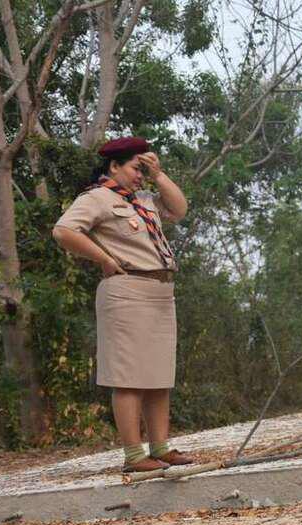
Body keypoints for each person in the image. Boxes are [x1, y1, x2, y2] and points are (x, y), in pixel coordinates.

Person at [52, 136, 195, 472]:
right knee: (129, 377)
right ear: (114, 166)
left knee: (158, 375)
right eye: (135, 168)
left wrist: (158, 175)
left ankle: (160, 448)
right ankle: (134, 455)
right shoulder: (97, 198)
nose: (139, 176)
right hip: (126, 289)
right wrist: (103, 258)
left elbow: (179, 209)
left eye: (143, 170)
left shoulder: (143, 200)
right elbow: (63, 231)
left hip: (159, 291)